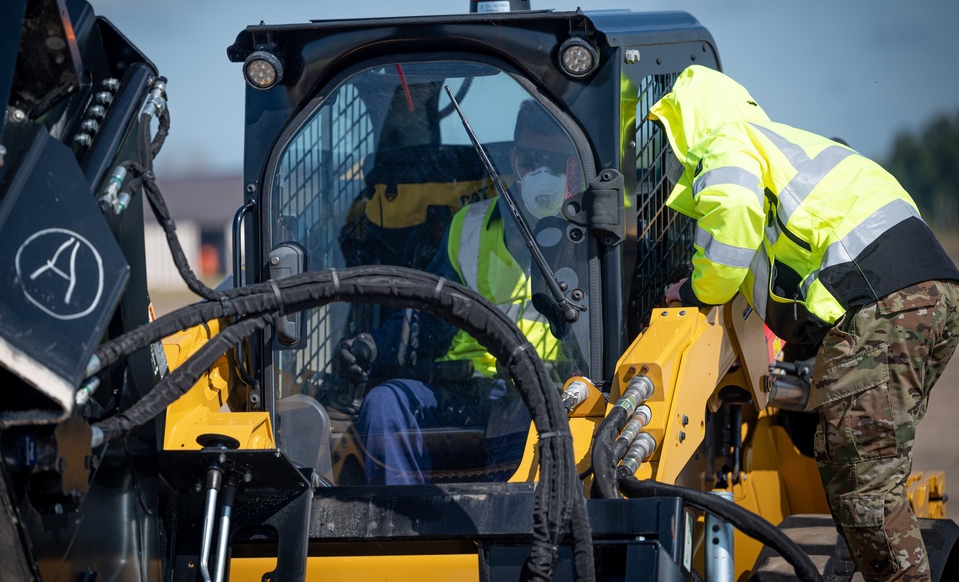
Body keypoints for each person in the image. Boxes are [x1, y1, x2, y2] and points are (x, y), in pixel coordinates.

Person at [654, 65, 959, 582]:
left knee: (865, 479)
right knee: (845, 454)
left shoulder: (725, 144)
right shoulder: (778, 145)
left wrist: (693, 289)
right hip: (928, 294)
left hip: (883, 300)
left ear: (687, 121)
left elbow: (732, 221)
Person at [340, 100, 581, 485]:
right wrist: (374, 344)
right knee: (386, 404)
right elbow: (424, 318)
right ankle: (402, 530)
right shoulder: (466, 227)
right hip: (465, 393)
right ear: (515, 159)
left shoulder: (596, 239)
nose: (542, 172)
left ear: (576, 165)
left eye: (556, 161)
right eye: (532, 158)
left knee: (523, 413)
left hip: (548, 396)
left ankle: (504, 537)